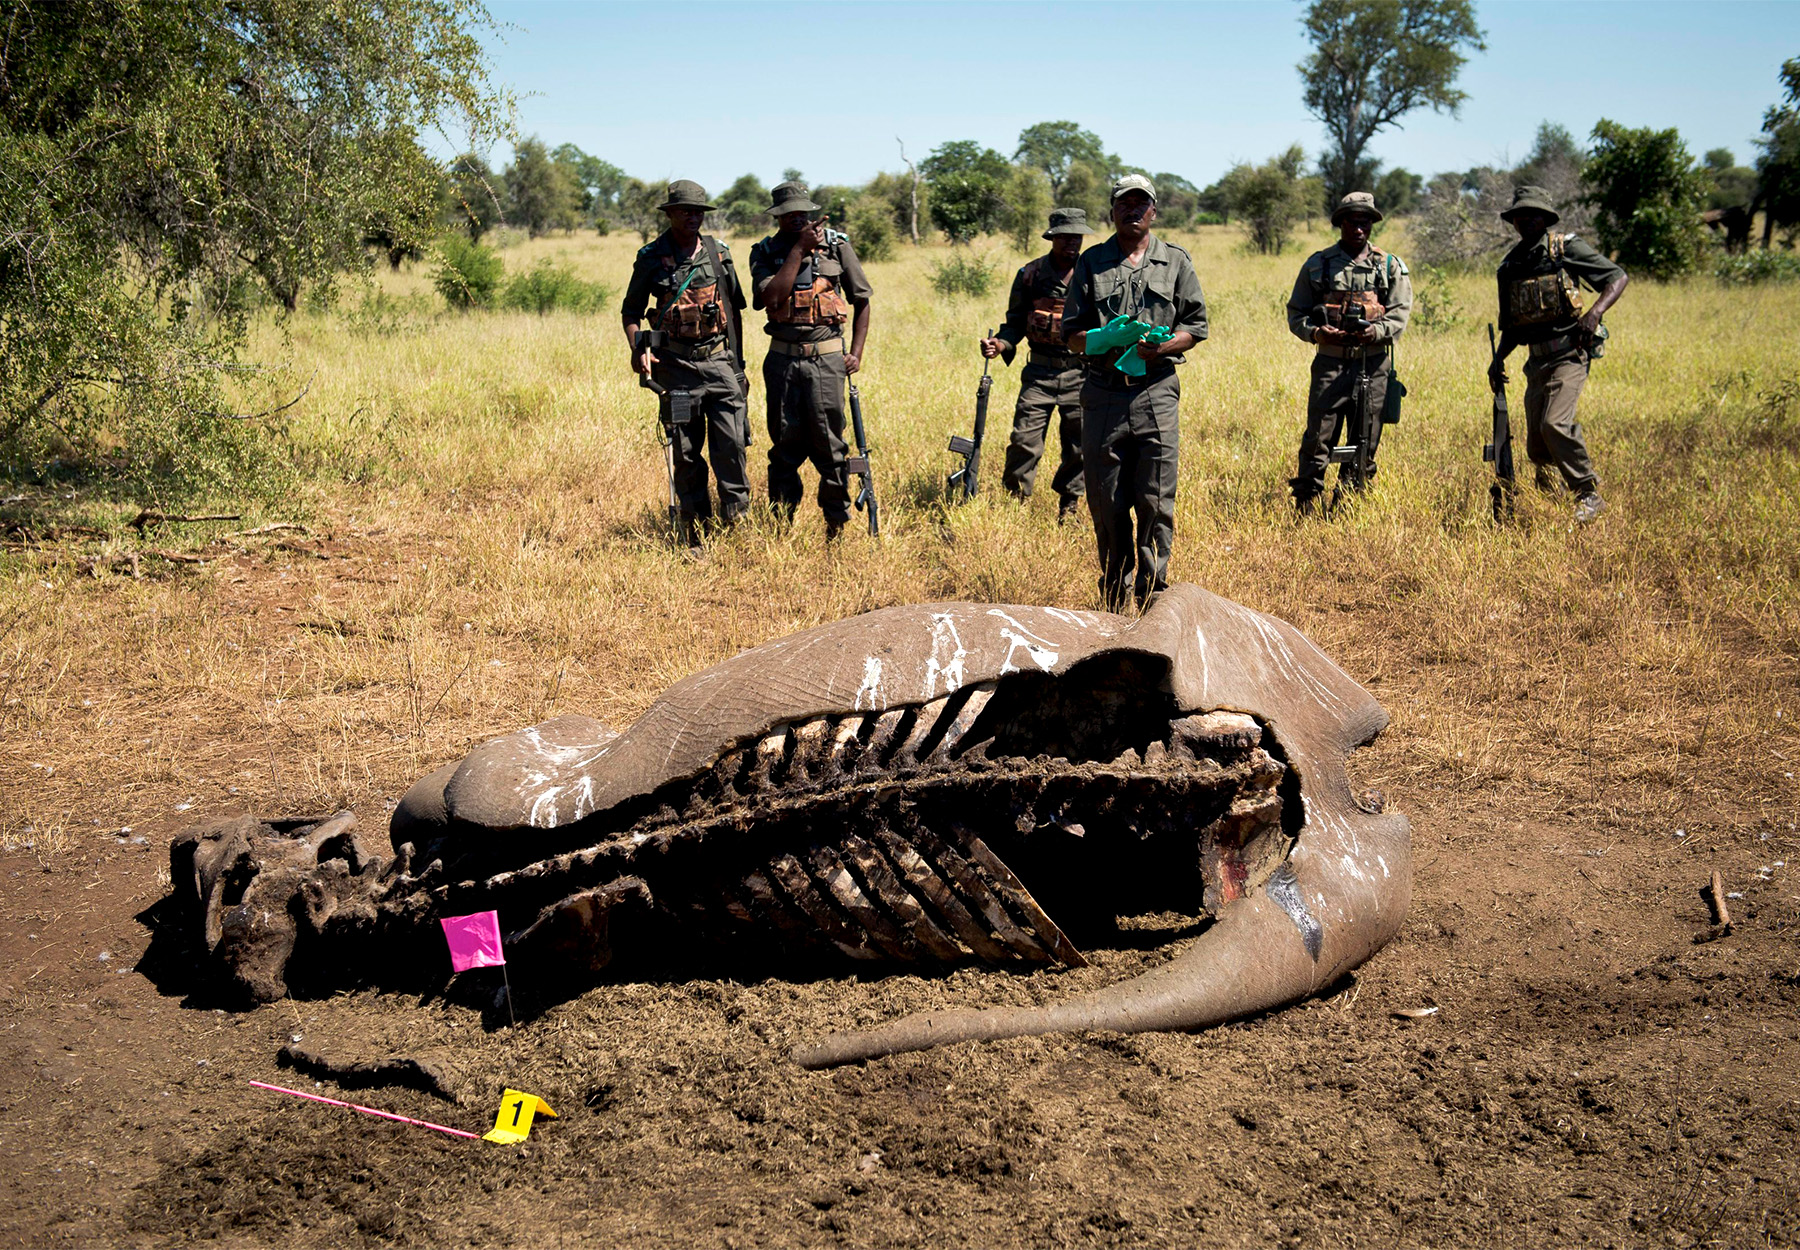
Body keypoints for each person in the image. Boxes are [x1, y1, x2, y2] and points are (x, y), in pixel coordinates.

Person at [1058, 174, 1208, 611]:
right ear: (1113, 210)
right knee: (1106, 501)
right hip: (1103, 392)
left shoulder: (1175, 261)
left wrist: (1163, 345)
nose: (1133, 210)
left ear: (1154, 211)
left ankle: (1153, 596)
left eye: (1142, 203)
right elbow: (1071, 335)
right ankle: (1113, 595)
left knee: (1156, 499)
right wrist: (1100, 338)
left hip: (1155, 392)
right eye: (1125, 203)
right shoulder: (1092, 262)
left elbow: (1195, 328)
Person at [620, 179, 750, 550]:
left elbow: (734, 312)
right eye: (685, 211)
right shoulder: (651, 257)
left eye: (698, 211)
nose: (693, 217)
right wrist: (637, 349)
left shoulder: (719, 253)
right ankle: (695, 531)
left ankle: (737, 526)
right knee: (687, 452)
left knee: (732, 446)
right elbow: (631, 311)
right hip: (675, 368)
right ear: (671, 214)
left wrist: (738, 367)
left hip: (719, 362)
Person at [1487, 184, 1628, 524]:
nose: (1527, 220)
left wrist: (1593, 315)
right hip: (1535, 361)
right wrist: (1498, 359)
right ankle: (1554, 505)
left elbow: (1617, 277)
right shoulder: (1510, 267)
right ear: (1514, 221)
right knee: (1536, 447)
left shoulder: (1565, 249)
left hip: (1570, 354)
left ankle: (1587, 492)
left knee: (1555, 423)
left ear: (1546, 218)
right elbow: (1512, 326)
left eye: (1534, 214)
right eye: (1521, 215)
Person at [748, 180, 874, 540]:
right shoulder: (766, 251)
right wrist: (799, 251)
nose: (798, 218)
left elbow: (862, 299)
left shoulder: (837, 246)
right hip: (782, 362)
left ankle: (836, 525)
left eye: (803, 212)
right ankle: (780, 527)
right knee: (784, 444)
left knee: (831, 446)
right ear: (778, 216)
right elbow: (769, 300)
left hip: (827, 363)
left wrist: (857, 353)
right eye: (790, 214)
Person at [1284, 191, 1413, 513]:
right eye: (1352, 222)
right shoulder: (1319, 264)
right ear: (1340, 223)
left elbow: (1399, 313)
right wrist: (1316, 332)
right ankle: (1307, 503)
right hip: (1330, 362)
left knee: (1366, 436)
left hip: (1374, 364)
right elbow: (1296, 312)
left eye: (1365, 222)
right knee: (1318, 436)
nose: (1359, 229)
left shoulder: (1388, 266)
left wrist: (1375, 331)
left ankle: (1348, 504)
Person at [979, 207, 1097, 524]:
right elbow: (1014, 323)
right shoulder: (1030, 275)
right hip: (1039, 374)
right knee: (1024, 441)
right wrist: (1000, 344)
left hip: (1081, 372)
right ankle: (1015, 505)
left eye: (1077, 236)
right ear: (1053, 237)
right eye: (1065, 236)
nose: (1072, 241)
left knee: (1080, 445)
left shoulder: (1094, 274)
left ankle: (1070, 507)